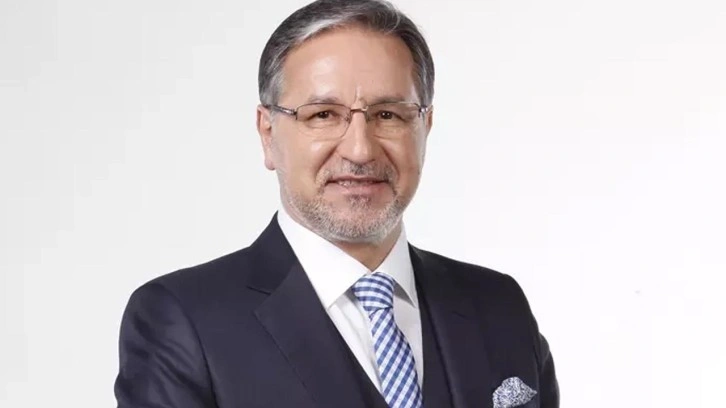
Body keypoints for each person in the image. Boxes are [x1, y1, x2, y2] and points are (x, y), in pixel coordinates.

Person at [114, 0, 559, 407]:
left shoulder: (499, 306)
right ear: (268, 134)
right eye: (323, 115)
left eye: (388, 114)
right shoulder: (185, 321)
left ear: (424, 127)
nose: (360, 150)